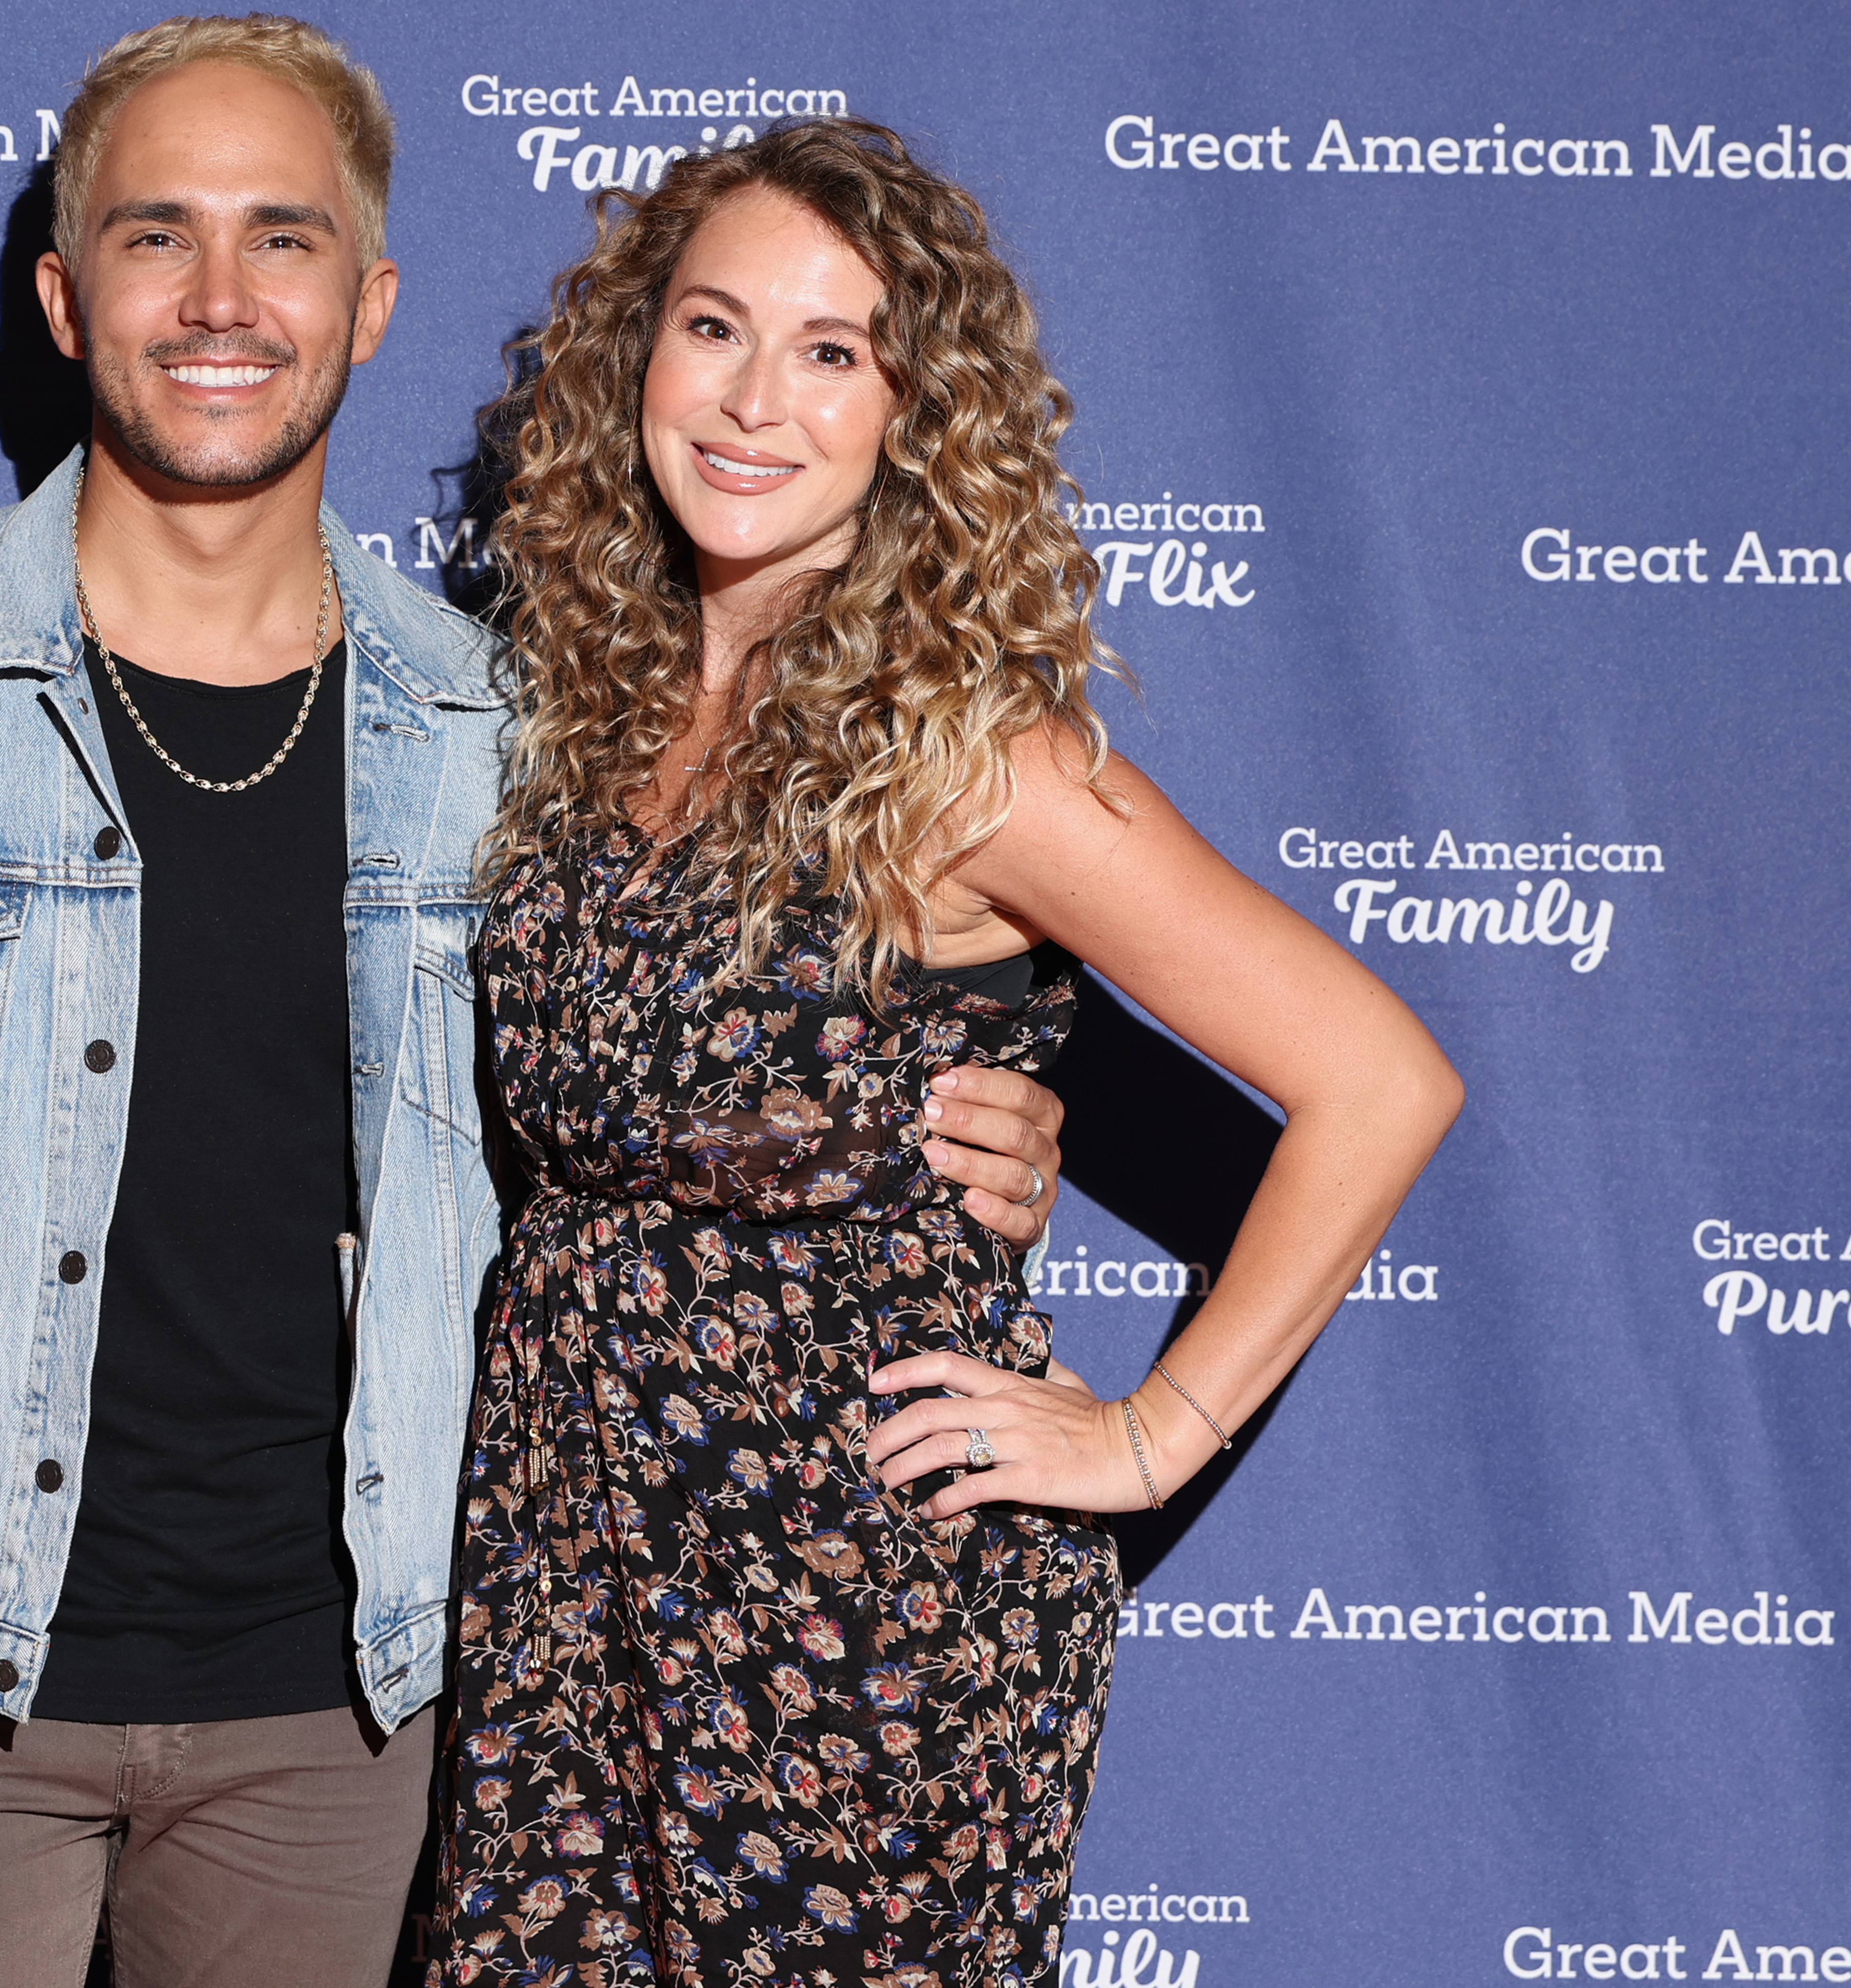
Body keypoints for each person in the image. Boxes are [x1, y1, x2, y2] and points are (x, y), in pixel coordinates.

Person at [0, 23, 1066, 1988]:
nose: (216, 301)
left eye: (281, 241)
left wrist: (955, 1116)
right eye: (154, 236)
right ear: (62, 293)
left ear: (365, 308)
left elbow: (689, 1067)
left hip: (368, 1715)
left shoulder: (517, 736)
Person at [435, 119, 1464, 1986]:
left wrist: (1156, 1435)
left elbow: (1380, 1077)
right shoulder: (580, 700)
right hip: (571, 1554)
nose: (757, 400)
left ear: (915, 414)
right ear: (634, 360)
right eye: (715, 329)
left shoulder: (964, 751)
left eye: (835, 352)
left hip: (862, 1596)